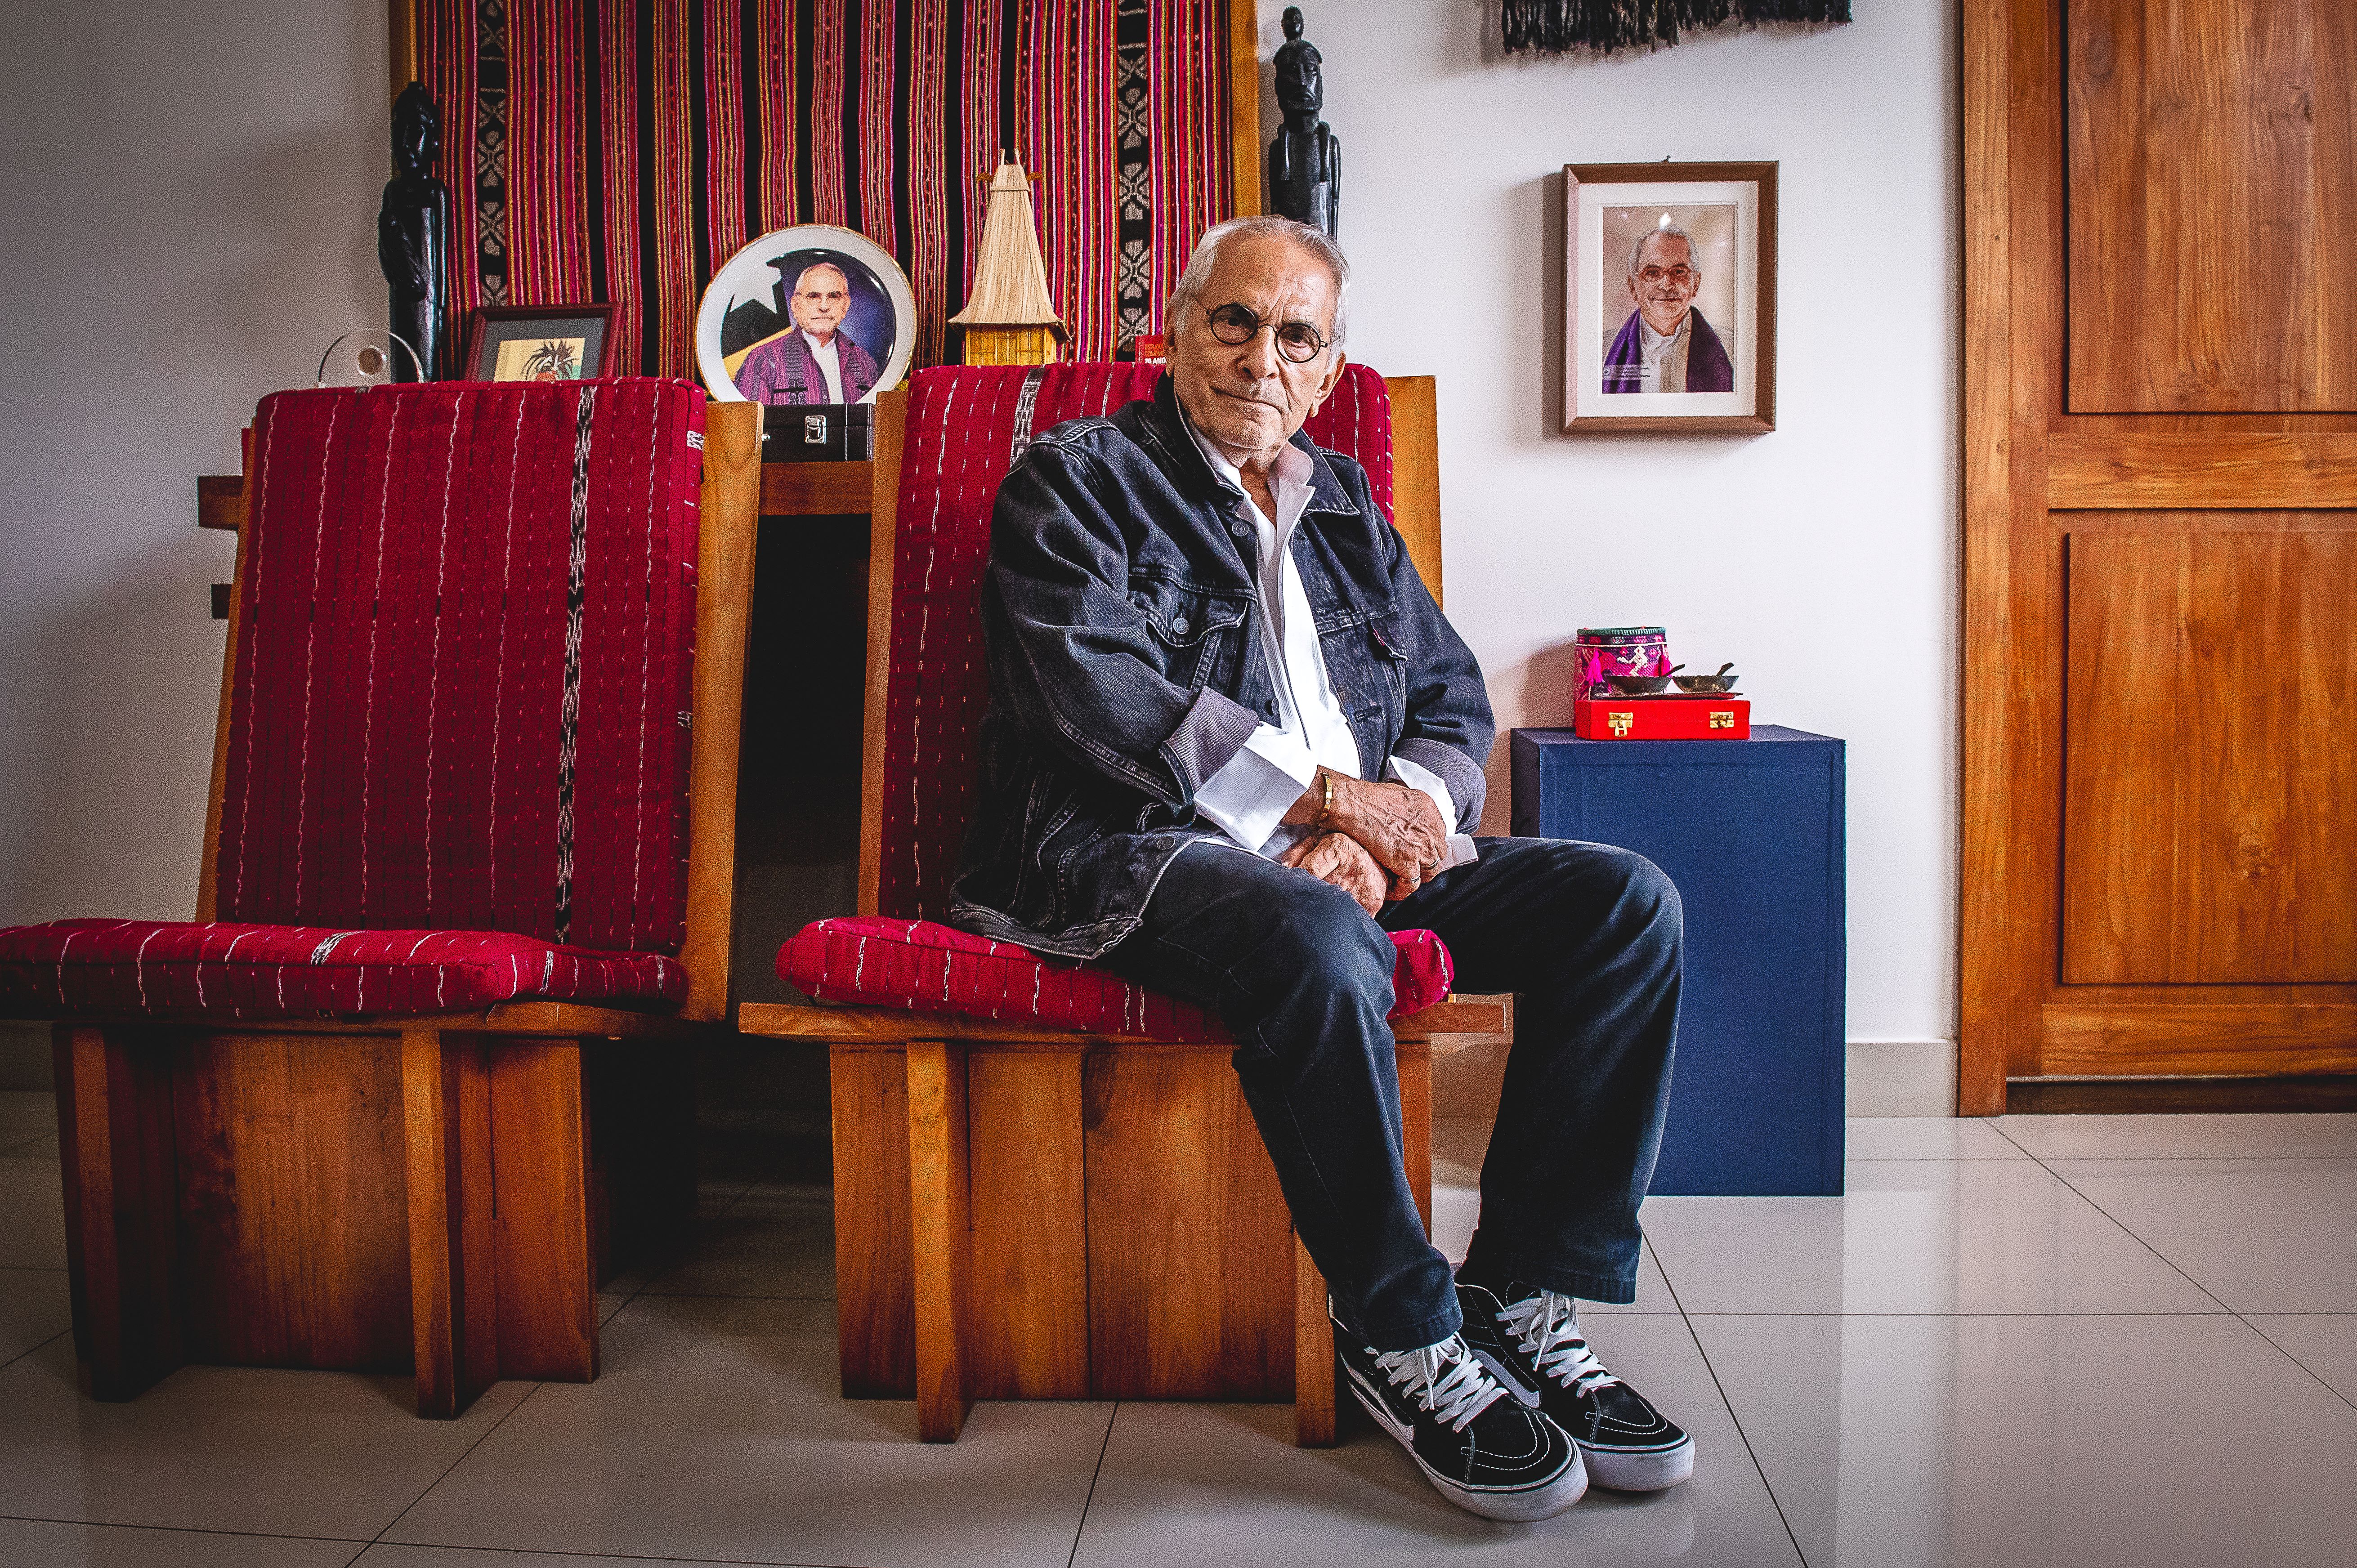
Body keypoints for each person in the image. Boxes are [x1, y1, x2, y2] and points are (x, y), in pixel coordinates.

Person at [952, 214, 1692, 1521]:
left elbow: (1453, 702)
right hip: (1132, 854)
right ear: (1170, 332)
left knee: (1622, 903)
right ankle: (1400, 1327)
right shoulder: (1069, 482)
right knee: (1309, 933)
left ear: (1329, 367)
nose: (1259, 358)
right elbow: (1098, 696)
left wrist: (1373, 823)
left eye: (1295, 336)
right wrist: (1316, 809)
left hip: (1353, 850)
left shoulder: (1348, 502)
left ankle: (1515, 1291)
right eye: (1232, 321)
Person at [1601, 224, 1733, 394]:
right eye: (1652, 273)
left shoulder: (1731, 348)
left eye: (1679, 271)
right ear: (1633, 287)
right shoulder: (1603, 350)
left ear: (1696, 284)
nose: (1666, 285)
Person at [732, 259, 881, 405]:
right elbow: (748, 426)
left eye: (834, 296)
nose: (824, 306)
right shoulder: (763, 360)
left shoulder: (864, 361)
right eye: (813, 296)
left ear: (845, 305)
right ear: (796, 306)